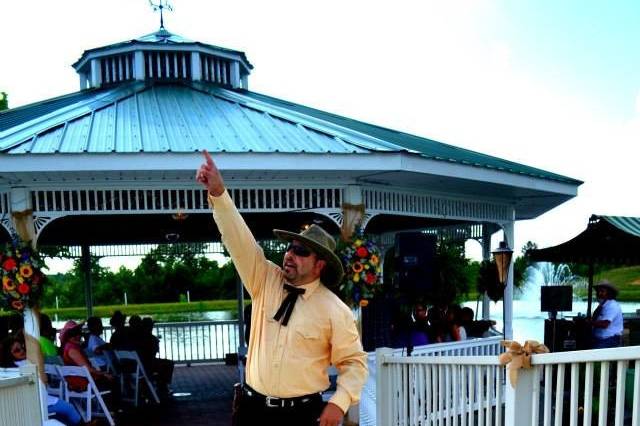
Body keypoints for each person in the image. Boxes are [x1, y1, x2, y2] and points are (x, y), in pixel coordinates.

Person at [197, 150, 368, 426]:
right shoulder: (264, 280)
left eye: (301, 251)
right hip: (252, 410)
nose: (290, 254)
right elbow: (239, 241)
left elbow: (354, 362)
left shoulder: (334, 310)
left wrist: (339, 402)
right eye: (290, 247)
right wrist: (219, 194)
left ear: (319, 266)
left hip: (301, 414)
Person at [6, 335, 86, 426]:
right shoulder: (27, 364)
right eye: (17, 350)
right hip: (38, 404)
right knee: (69, 407)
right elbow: (44, 379)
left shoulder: (9, 368)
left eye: (23, 347)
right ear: (9, 354)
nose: (22, 351)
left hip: (24, 404)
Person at [590, 280, 623, 349]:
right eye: (598, 291)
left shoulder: (612, 305)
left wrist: (588, 322)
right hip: (598, 338)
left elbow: (604, 324)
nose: (599, 293)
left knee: (595, 356)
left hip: (609, 339)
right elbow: (594, 318)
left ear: (609, 293)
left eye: (602, 291)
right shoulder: (602, 305)